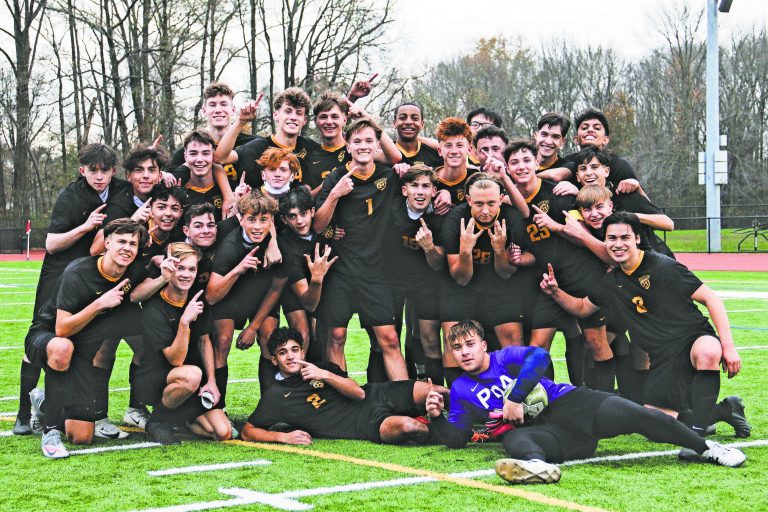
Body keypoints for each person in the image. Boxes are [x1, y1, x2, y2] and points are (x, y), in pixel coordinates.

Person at [425, 321, 746, 485]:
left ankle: (709, 449)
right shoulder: (462, 387)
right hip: (553, 434)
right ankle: (538, 467)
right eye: (457, 348)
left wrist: (515, 397)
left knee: (638, 415)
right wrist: (437, 417)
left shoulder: (503, 358)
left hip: (569, 403)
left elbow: (540, 356)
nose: (464, 352)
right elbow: (456, 439)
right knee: (515, 439)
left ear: (483, 345)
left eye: (470, 345)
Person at [540, 211, 751, 439]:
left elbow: (712, 299)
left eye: (624, 238)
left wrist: (728, 347)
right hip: (662, 358)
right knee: (653, 423)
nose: (618, 244)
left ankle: (697, 436)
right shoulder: (611, 281)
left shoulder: (663, 266)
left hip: (692, 340)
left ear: (637, 239)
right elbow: (582, 308)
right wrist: (555, 292)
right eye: (611, 238)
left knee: (709, 351)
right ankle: (722, 411)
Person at [14, 144, 131, 436]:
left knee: (93, 341)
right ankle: (24, 412)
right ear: (82, 170)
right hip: (60, 273)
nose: (99, 176)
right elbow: (52, 244)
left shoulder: (121, 190)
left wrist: (166, 177)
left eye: (105, 170)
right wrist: (85, 227)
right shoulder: (71, 195)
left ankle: (72, 409)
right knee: (46, 335)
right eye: (93, 170)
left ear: (113, 171)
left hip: (95, 274)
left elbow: (147, 191)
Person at [26, 219, 148, 458]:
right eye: (121, 241)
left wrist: (162, 268)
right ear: (107, 243)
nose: (127, 247)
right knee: (63, 347)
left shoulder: (133, 269)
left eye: (133, 243)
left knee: (82, 437)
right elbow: (61, 328)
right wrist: (99, 304)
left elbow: (153, 266)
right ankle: (50, 433)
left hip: (82, 351)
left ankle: (42, 402)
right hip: (48, 337)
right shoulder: (78, 271)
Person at [505, 139, 616, 391]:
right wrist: (520, 260)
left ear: (536, 163)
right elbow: (538, 248)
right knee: (536, 348)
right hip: (552, 283)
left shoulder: (557, 192)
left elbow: (580, 233)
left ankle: (608, 399)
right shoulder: (510, 207)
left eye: (526, 160)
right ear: (508, 169)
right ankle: (537, 401)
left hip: (585, 277)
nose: (521, 166)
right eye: (514, 162)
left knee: (595, 342)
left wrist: (555, 225)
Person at [313, 119, 408, 381]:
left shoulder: (389, 176)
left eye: (368, 141)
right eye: (357, 141)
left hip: (375, 272)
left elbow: (420, 184)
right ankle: (340, 404)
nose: (363, 146)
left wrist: (404, 169)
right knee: (336, 336)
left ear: (378, 144)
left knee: (388, 338)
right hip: (340, 271)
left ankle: (404, 400)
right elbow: (319, 226)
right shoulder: (336, 177)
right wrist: (334, 195)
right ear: (347, 144)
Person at [241, 327, 449, 445]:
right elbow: (248, 431)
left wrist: (324, 374)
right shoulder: (275, 395)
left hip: (377, 394)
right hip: (364, 424)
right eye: (283, 352)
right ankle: (451, 432)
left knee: (438, 391)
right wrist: (283, 437)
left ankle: (480, 415)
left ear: (302, 352)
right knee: (411, 427)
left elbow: (358, 393)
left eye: (294, 350)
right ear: (274, 360)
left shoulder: (322, 367)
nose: (291, 356)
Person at [439, 173, 532, 386]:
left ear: (501, 199)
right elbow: (460, 278)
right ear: (468, 200)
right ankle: (459, 402)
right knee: (456, 340)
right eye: (479, 203)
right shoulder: (456, 219)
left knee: (512, 342)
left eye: (491, 203)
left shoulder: (512, 218)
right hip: (460, 288)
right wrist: (465, 250)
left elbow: (506, 273)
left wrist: (499, 250)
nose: (485, 210)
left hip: (500, 285)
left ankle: (513, 399)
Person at [138, 242, 231, 445]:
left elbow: (204, 341)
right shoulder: (154, 308)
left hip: (193, 382)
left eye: (191, 269)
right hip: (162, 378)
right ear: (169, 269)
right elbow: (175, 359)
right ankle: (157, 421)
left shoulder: (198, 298)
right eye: (180, 268)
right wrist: (184, 322)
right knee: (191, 374)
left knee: (222, 432)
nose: (186, 275)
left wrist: (212, 381)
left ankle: (179, 420)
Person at [206, 191, 289, 395]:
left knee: (269, 337)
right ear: (240, 219)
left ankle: (271, 405)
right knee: (223, 339)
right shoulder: (229, 245)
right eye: (251, 220)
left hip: (260, 295)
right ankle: (218, 405)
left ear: (272, 221)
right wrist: (238, 269)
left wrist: (253, 327)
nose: (258, 226)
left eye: (264, 220)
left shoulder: (281, 246)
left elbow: (276, 288)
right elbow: (211, 296)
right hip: (230, 294)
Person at [384, 166, 446, 384]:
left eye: (426, 186)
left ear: (433, 191)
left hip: (425, 283)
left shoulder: (440, 218)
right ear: (404, 190)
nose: (420, 192)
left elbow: (438, 265)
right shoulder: (391, 210)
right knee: (388, 338)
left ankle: (437, 396)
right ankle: (396, 392)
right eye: (414, 186)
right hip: (392, 282)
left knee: (429, 339)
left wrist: (429, 247)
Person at [169, 82, 261, 195]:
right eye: (212, 105)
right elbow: (167, 180)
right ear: (204, 110)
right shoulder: (189, 151)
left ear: (233, 110)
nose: (218, 110)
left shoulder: (251, 143)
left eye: (223, 104)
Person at [181, 131, 226, 221]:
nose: (200, 159)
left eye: (205, 153)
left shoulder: (228, 190)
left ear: (213, 154)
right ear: (185, 156)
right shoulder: (179, 193)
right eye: (193, 153)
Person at [392, 102, 442, 168]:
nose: (408, 122)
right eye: (402, 118)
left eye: (415, 118)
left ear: (422, 124)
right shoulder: (384, 153)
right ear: (394, 123)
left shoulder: (435, 153)